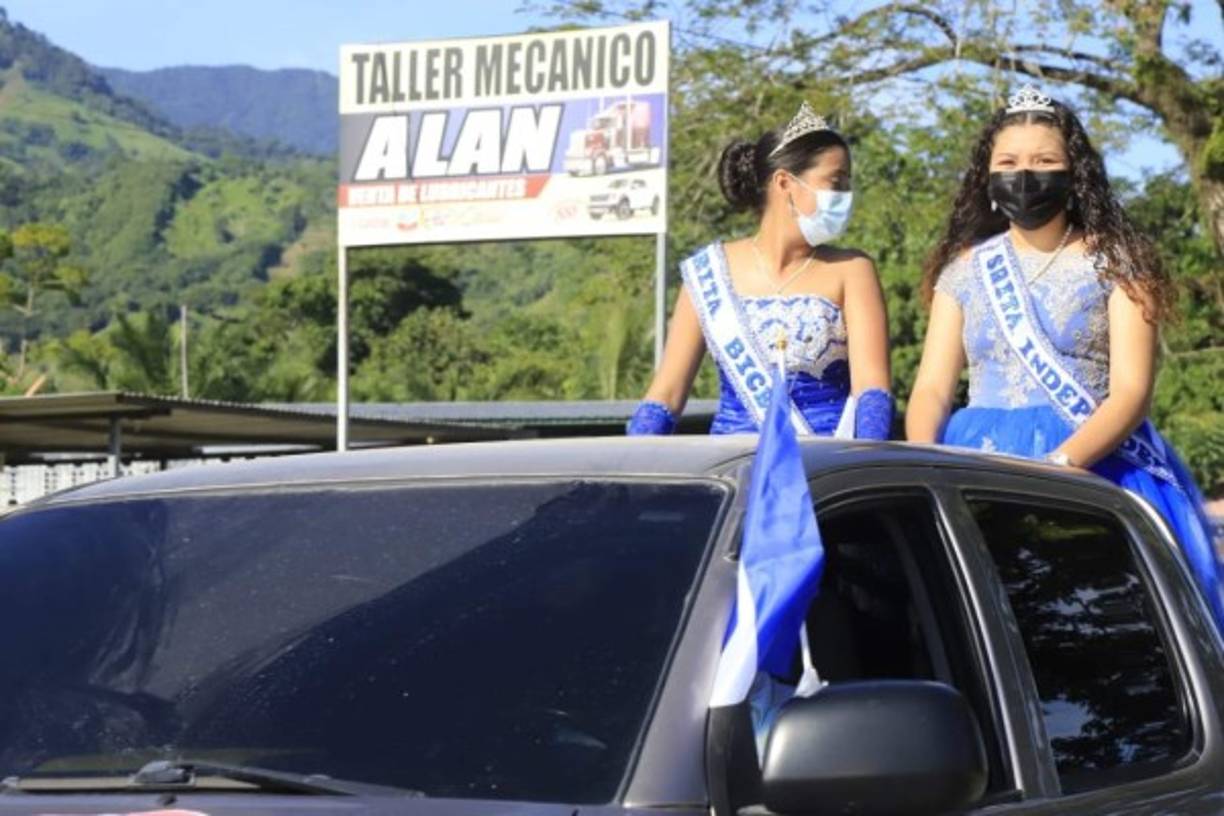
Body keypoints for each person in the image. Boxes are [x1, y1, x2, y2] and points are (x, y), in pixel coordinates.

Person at [906, 84, 1224, 632]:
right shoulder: (963, 269)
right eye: (1008, 162)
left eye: (1044, 161)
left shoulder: (1119, 262)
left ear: (1075, 174)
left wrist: (1060, 469)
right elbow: (933, 387)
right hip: (976, 461)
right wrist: (919, 463)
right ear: (987, 176)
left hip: (1095, 465)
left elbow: (1131, 392)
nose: (1025, 175)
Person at [625, 102, 894, 439]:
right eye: (835, 182)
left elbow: (873, 392)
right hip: (734, 467)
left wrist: (865, 469)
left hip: (825, 471)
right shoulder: (709, 271)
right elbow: (666, 395)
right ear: (785, 183)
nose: (844, 197)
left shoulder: (852, 270)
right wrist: (627, 476)